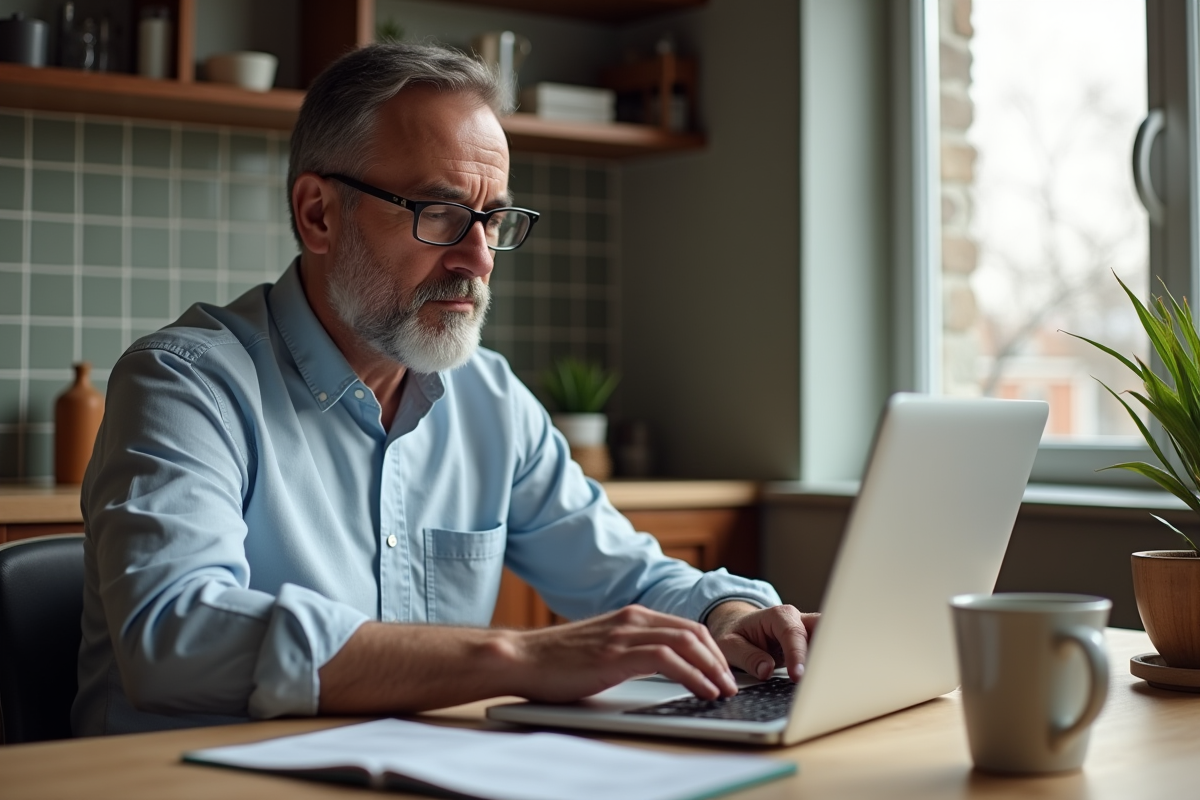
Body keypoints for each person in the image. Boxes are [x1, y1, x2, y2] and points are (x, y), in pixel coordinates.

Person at [72, 42, 816, 737]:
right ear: (318, 213)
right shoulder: (186, 383)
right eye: (442, 214)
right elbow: (173, 637)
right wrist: (515, 658)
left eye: (493, 220)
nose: (479, 259)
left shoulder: (486, 395)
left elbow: (620, 571)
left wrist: (725, 611)